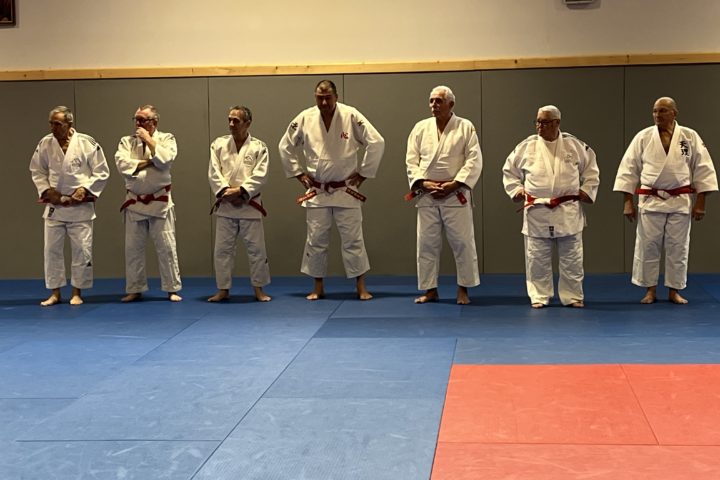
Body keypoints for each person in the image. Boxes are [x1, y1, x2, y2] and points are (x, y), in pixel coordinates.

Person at [278, 79, 385, 300]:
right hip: (318, 191)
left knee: (354, 240)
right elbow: (285, 145)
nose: (324, 102)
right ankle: (318, 286)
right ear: (315, 97)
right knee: (316, 239)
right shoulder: (305, 117)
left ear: (336, 96)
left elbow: (376, 141)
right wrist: (298, 173)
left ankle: (361, 285)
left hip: (345, 190)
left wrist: (364, 172)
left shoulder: (350, 115)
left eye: (328, 98)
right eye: (320, 98)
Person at [613, 97, 717, 304]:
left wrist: (701, 202)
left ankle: (674, 290)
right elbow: (628, 170)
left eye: (662, 111)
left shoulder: (689, 136)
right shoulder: (643, 137)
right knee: (648, 245)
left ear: (674, 113)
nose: (657, 115)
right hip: (650, 200)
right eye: (655, 111)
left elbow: (703, 169)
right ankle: (650, 290)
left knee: (678, 247)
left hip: (680, 199)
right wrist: (627, 202)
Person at [502, 105, 599, 308]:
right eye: (537, 121)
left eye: (545, 122)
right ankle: (539, 295)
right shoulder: (526, 146)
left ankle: (573, 296)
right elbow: (509, 171)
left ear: (557, 123)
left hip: (567, 209)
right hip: (537, 210)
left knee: (572, 257)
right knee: (536, 257)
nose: (540, 126)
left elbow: (591, 169)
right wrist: (516, 190)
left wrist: (587, 190)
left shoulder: (575, 145)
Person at [405, 86, 483, 305]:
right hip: (427, 194)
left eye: (439, 101)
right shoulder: (420, 128)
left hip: (455, 194)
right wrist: (423, 182)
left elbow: (474, 159)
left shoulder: (465, 127)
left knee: (463, 243)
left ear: (451, 104)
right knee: (426, 244)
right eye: (431, 101)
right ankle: (430, 290)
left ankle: (463, 289)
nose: (434, 105)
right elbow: (411, 160)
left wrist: (454, 184)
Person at [29, 106, 110, 306]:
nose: (53, 127)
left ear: (69, 124)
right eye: (51, 123)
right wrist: (47, 191)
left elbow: (102, 171)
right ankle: (55, 293)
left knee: (82, 250)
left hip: (80, 206)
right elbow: (37, 170)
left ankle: (76, 292)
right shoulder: (45, 143)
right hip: (55, 206)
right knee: (51, 251)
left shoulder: (86, 142)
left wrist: (85, 188)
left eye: (57, 124)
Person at [115, 105, 182, 302]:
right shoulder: (126, 141)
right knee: (133, 248)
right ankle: (135, 288)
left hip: (160, 201)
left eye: (142, 120)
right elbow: (123, 165)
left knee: (167, 247)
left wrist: (149, 141)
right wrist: (152, 161)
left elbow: (166, 160)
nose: (138, 123)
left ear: (154, 122)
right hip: (135, 201)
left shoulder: (167, 138)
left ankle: (172, 288)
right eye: (136, 119)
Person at [208, 106, 271, 302]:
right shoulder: (218, 144)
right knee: (222, 251)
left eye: (236, 121)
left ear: (247, 123)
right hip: (226, 204)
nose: (231, 124)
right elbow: (213, 172)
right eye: (229, 119)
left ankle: (259, 289)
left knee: (256, 249)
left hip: (249, 204)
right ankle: (223, 289)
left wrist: (241, 191)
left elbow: (261, 175)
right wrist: (226, 192)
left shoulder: (259, 147)